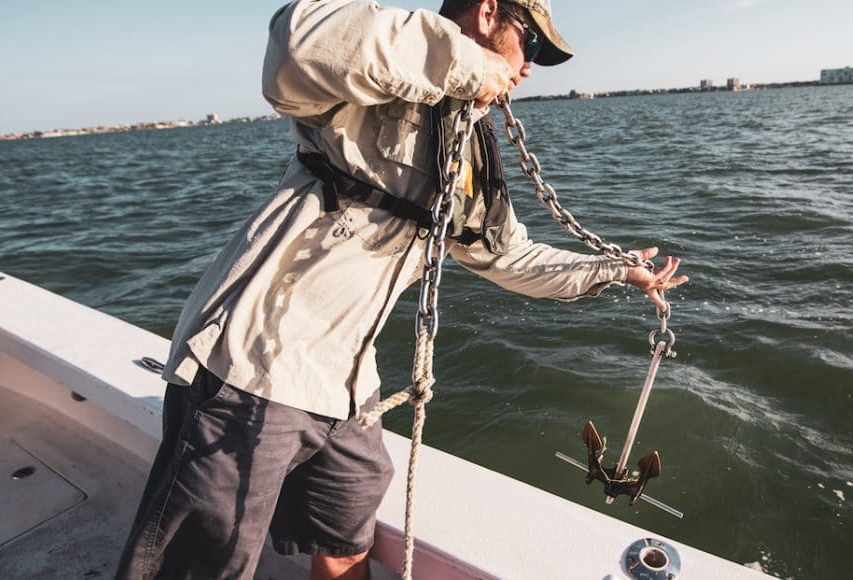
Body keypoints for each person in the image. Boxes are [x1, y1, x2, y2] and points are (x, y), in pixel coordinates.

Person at [116, 0, 688, 578]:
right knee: (200, 563)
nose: (529, 69)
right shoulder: (377, 70)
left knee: (345, 536)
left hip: (346, 386)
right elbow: (295, 44)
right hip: (253, 365)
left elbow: (508, 256)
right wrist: (465, 61)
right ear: (488, 14)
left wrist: (613, 271)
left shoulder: (470, 146)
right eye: (530, 46)